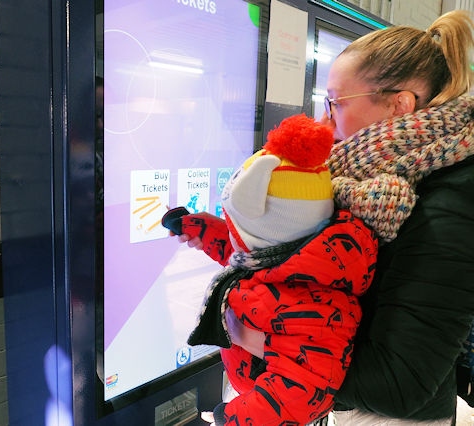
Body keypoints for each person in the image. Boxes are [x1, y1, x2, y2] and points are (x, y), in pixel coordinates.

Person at [179, 9, 474, 425]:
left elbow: (400, 384)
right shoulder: (368, 177)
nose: (323, 120)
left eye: (334, 103)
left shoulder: (449, 202)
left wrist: (255, 337)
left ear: (398, 105)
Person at [162, 114, 378, 426]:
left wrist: (234, 417)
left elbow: (298, 394)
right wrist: (200, 228)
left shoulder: (319, 310)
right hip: (251, 394)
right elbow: (246, 257)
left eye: (237, 226)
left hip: (259, 409)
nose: (234, 235)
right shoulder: (295, 253)